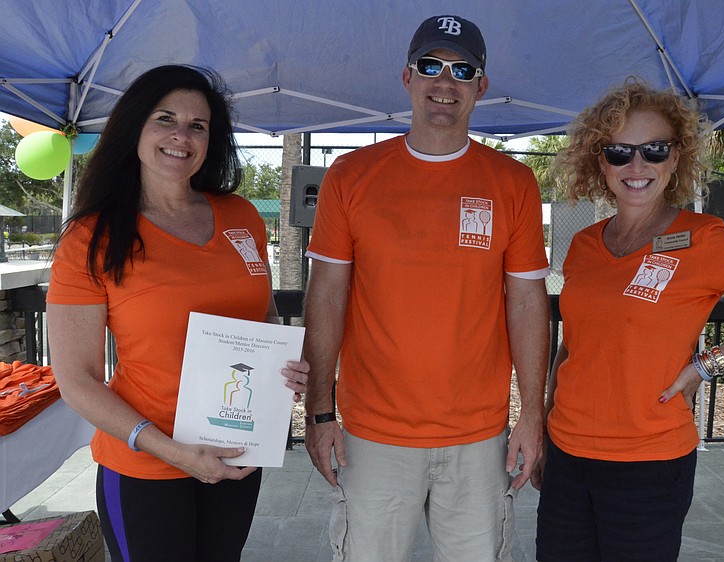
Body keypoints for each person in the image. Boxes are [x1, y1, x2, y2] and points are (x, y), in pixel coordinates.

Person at [532, 78, 724, 561]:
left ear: (676, 158)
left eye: (654, 150)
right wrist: (545, 424)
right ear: (598, 160)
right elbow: (573, 344)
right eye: (619, 152)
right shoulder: (585, 244)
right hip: (568, 452)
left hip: (649, 461)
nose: (637, 166)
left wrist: (706, 364)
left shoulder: (704, 239)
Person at [303, 14, 550, 562]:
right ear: (407, 78)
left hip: (479, 437)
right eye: (431, 66)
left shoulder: (513, 182)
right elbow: (326, 297)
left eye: (463, 70)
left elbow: (528, 303)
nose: (446, 82)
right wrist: (320, 412)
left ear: (481, 87)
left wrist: (532, 414)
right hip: (372, 434)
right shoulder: (351, 175)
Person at [45, 65, 309, 562]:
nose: (181, 136)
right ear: (135, 129)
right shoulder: (92, 238)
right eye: (165, 119)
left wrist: (284, 370)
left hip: (234, 456)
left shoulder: (241, 217)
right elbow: (76, 380)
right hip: (146, 465)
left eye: (198, 125)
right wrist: (172, 451)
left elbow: (265, 319)